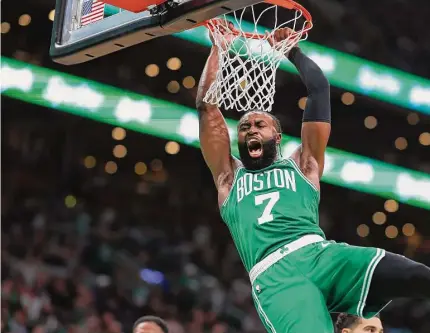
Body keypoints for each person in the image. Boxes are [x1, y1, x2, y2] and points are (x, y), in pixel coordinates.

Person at [196, 22, 430, 333]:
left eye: (259, 124)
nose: (251, 128)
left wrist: (293, 52)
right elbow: (206, 107)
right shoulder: (229, 178)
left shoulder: (303, 164)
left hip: (321, 255)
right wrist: (217, 50)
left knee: (416, 276)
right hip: (276, 277)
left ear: (277, 137)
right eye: (244, 126)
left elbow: (319, 89)